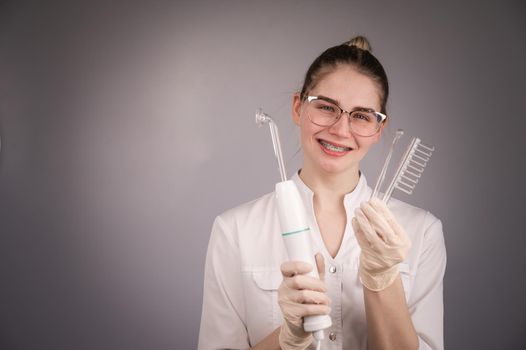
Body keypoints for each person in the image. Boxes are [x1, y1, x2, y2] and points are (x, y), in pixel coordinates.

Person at [198, 36, 446, 350]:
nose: (341, 130)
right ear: (298, 107)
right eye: (327, 108)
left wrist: (384, 281)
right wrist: (288, 338)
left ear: (379, 128)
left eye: (361, 116)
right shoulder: (234, 230)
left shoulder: (422, 232)